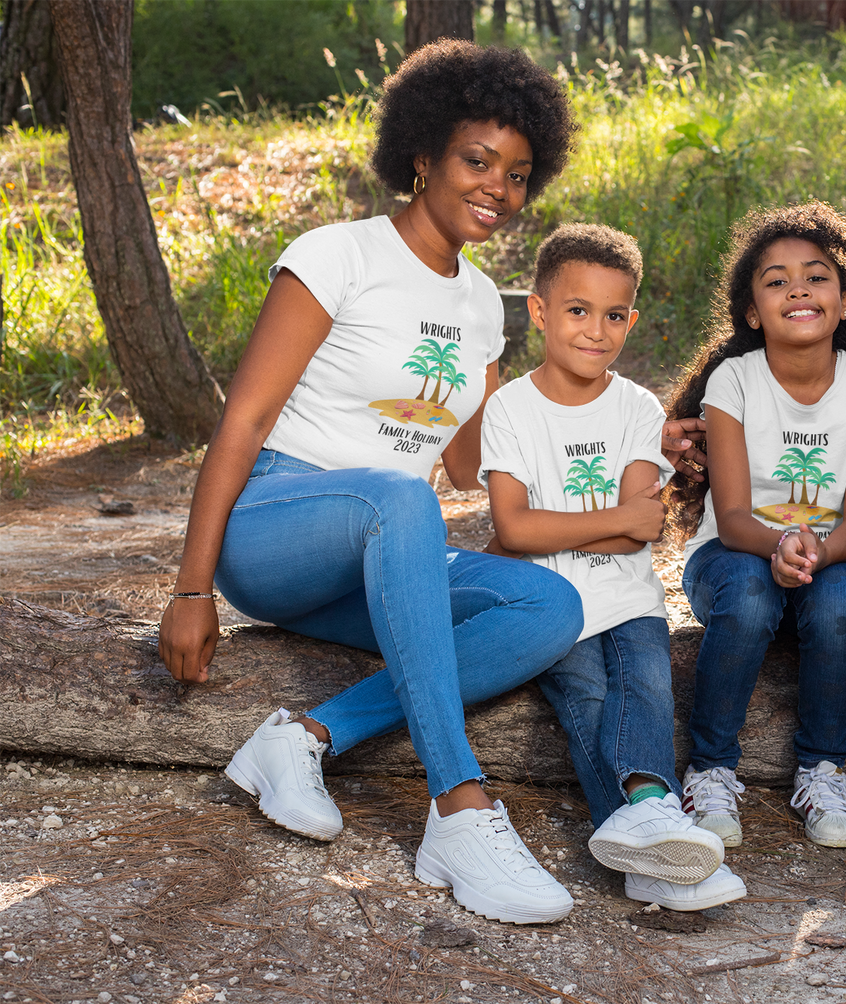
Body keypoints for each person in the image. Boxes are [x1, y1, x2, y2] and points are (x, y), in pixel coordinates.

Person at [156, 42, 589, 925]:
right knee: (401, 498)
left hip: (387, 548)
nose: (497, 189)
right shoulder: (336, 254)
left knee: (549, 608)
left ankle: (304, 737)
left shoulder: (479, 303)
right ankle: (459, 810)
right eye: (477, 161)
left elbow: (470, 463)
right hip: (277, 526)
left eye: (517, 175)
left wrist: (612, 417)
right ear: (422, 155)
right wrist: (192, 587)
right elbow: (239, 422)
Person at [480, 223, 748, 911]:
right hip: (552, 607)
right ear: (539, 311)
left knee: (645, 692)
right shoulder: (510, 408)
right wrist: (598, 525)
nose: (596, 330)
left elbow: (639, 534)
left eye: (614, 314)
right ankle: (659, 855)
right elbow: (511, 526)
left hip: (629, 601)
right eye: (577, 310)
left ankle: (649, 824)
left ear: (631, 317)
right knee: (589, 704)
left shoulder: (634, 406)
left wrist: (549, 532)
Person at [665, 202, 846, 851]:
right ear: (750, 311)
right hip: (732, 552)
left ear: (845, 299)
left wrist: (816, 552)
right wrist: (778, 546)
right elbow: (736, 515)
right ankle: (710, 770)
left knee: (840, 600)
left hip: (826, 556)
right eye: (775, 280)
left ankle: (821, 769)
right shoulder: (734, 380)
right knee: (746, 593)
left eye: (815, 275)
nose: (796, 288)